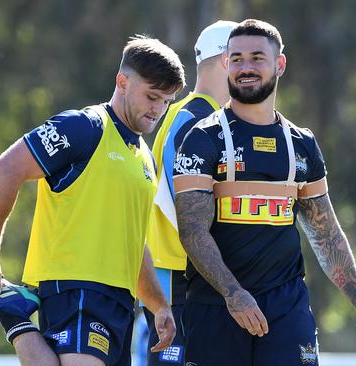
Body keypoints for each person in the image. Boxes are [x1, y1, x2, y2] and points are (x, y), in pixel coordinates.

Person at [172, 19, 356, 365]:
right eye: (237, 59)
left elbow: (326, 233)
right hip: (216, 308)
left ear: (280, 64)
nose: (246, 68)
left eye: (257, 58)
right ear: (226, 63)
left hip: (286, 310)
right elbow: (192, 231)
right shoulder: (202, 138)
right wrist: (235, 295)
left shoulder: (302, 144)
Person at [0, 35, 186, 366]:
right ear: (123, 82)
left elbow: (133, 243)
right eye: (152, 96)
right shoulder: (84, 127)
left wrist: (158, 305)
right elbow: (2, 172)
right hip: (75, 287)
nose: (157, 109)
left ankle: (15, 316)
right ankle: (15, 319)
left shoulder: (144, 158)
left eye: (166, 101)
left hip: (121, 303)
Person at [143, 20, 237, 365]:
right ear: (227, 60)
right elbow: (179, 206)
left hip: (194, 277)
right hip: (179, 279)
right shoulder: (193, 118)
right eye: (243, 59)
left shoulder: (210, 116)